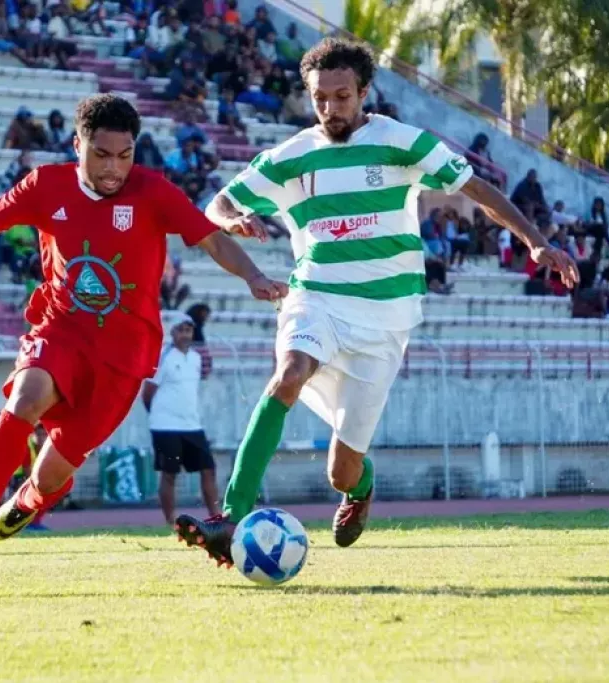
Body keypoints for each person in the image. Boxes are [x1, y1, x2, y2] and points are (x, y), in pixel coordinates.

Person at [174, 39, 579, 566]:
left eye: (342, 96)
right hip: (315, 296)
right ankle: (230, 517)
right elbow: (219, 201)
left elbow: (477, 189)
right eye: (320, 98)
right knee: (288, 374)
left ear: (364, 92)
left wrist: (535, 240)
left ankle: (361, 487)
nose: (331, 108)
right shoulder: (293, 155)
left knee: (341, 471)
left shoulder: (402, 142)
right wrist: (231, 218)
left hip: (385, 319)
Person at [0, 94, 287, 583]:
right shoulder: (45, 185)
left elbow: (211, 238)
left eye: (124, 155)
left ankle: (29, 499)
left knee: (51, 474)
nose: (114, 168)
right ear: (78, 146)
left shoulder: (153, 191)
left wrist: (253, 276)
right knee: (23, 403)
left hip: (124, 357)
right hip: (60, 330)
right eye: (101, 154)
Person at [143, 314, 218, 526]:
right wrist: (158, 415)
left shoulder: (196, 357)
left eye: (189, 330)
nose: (185, 335)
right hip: (165, 426)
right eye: (181, 330)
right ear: (173, 332)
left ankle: (215, 515)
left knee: (208, 469)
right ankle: (170, 520)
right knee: (169, 474)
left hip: (192, 425)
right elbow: (147, 392)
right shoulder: (163, 357)